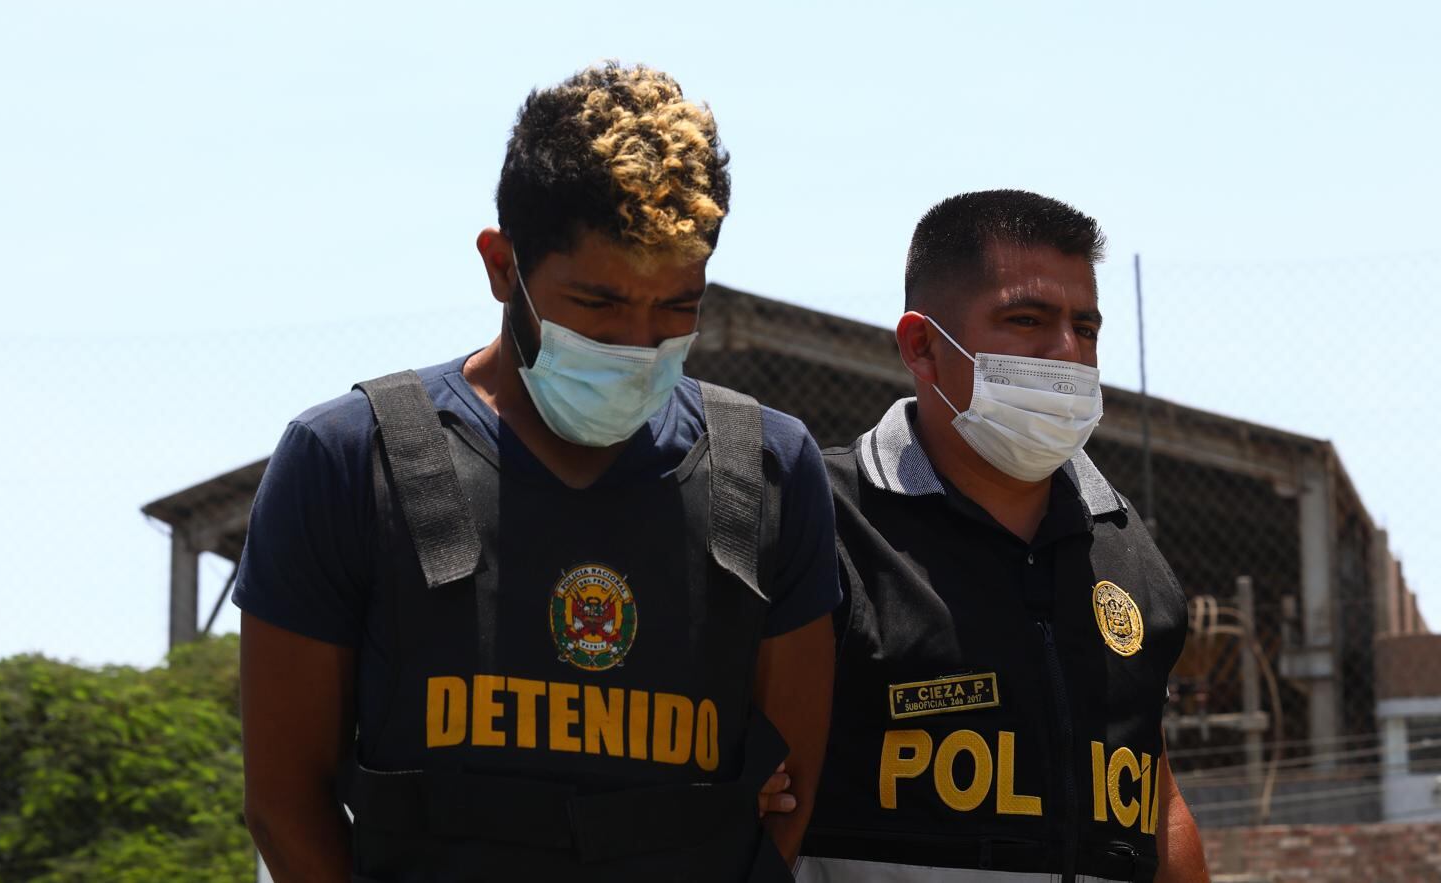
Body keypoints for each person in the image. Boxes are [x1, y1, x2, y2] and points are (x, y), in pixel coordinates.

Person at [234, 63, 839, 882]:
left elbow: (790, 796)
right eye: (598, 305)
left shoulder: (768, 468)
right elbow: (283, 796)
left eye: (676, 308)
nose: (637, 344)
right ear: (500, 265)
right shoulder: (347, 460)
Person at [799, 190, 1208, 883]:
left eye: (1086, 327)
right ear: (922, 346)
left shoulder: (1127, 546)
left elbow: (1158, 794)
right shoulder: (822, 526)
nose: (1068, 352)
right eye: (1028, 319)